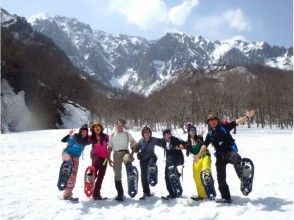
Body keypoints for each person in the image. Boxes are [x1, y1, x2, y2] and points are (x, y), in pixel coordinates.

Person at [195, 110, 255, 203]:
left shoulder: (224, 127)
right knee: (220, 178)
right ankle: (226, 197)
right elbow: (204, 145)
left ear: (217, 121)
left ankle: (245, 180)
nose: (212, 122)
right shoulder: (210, 134)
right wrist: (198, 155)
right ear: (209, 123)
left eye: (214, 120)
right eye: (210, 121)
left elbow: (236, 122)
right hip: (220, 157)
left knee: (237, 159)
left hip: (229, 152)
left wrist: (246, 117)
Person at [107, 119, 137, 201]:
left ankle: (131, 174)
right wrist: (109, 158)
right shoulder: (112, 135)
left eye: (121, 125)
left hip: (125, 152)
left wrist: (132, 153)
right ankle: (120, 193)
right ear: (115, 126)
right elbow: (109, 147)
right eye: (118, 125)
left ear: (123, 126)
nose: (119, 127)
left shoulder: (127, 134)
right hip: (116, 154)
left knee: (127, 159)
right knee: (117, 174)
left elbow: (134, 143)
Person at [61, 124, 89, 200]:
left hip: (76, 157)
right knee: (69, 165)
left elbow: (95, 140)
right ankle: (66, 171)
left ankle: (67, 194)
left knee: (73, 176)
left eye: (85, 132)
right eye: (82, 131)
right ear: (80, 131)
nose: (84, 133)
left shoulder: (86, 140)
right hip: (67, 153)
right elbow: (63, 140)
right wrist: (69, 135)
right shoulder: (75, 136)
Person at [186, 125, 214, 200]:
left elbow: (202, 136)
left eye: (194, 130)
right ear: (188, 132)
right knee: (196, 177)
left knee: (206, 171)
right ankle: (202, 195)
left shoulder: (199, 137)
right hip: (196, 159)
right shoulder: (188, 142)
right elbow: (187, 151)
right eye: (191, 130)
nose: (193, 132)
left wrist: (201, 133)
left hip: (205, 155)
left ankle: (211, 190)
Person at [136, 126, 161, 199]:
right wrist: (136, 151)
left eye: (148, 132)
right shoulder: (141, 141)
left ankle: (153, 176)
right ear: (143, 133)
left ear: (150, 133)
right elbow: (136, 149)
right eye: (145, 132)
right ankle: (146, 192)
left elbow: (162, 142)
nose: (147, 134)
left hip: (152, 157)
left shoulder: (153, 140)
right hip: (143, 159)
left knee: (151, 164)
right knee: (143, 176)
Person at [160, 128, 185, 198]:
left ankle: (175, 173)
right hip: (169, 162)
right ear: (164, 136)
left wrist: (180, 146)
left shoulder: (175, 139)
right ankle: (172, 193)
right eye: (166, 134)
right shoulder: (163, 142)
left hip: (178, 159)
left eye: (169, 133)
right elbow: (154, 140)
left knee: (169, 161)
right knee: (166, 176)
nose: (168, 135)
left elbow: (183, 143)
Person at [90, 122, 110, 200]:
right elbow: (83, 139)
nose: (97, 128)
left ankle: (96, 194)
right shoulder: (91, 137)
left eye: (98, 127)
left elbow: (112, 142)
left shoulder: (106, 137)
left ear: (101, 128)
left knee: (101, 176)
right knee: (94, 172)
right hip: (96, 157)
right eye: (95, 127)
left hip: (104, 159)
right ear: (93, 129)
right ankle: (91, 176)